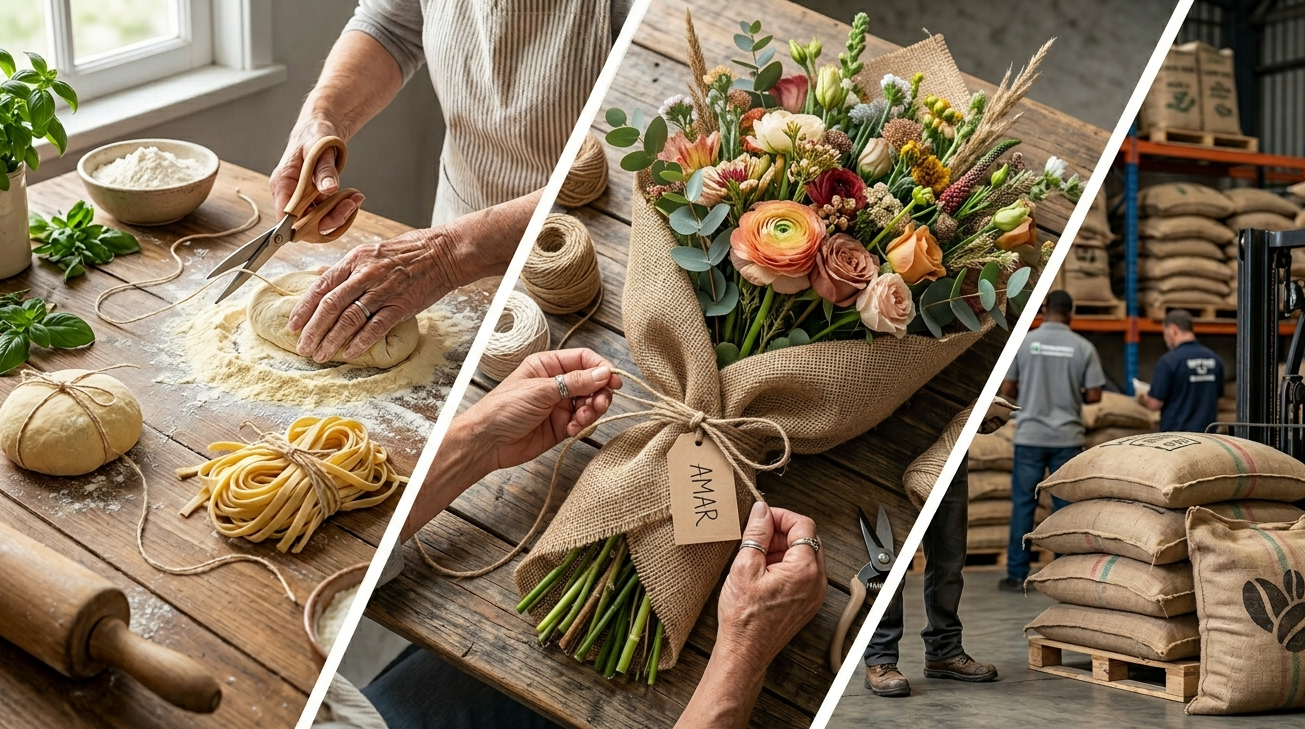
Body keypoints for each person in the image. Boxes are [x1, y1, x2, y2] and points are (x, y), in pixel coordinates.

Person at [319, 349, 828, 729]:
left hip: (355, 713)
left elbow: (341, 560)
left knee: (450, 665)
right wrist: (744, 651)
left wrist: (476, 441)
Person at [273, 0, 632, 364]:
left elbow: (618, 149)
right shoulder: (429, 262)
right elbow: (390, 27)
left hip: (577, 239)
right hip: (449, 226)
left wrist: (446, 256)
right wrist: (322, 116)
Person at [863, 400, 1014, 697]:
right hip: (896, 445)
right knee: (889, 564)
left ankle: (943, 651)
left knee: (950, 558)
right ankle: (880, 658)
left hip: (949, 447)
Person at [996, 290, 1104, 591]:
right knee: (1065, 508)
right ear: (1071, 312)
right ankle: (1062, 570)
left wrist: (1031, 393)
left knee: (1023, 505)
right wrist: (1069, 393)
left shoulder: (1027, 342)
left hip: (1030, 436)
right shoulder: (1083, 347)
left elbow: (1008, 388)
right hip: (1067, 438)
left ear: (1044, 308)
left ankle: (1017, 575)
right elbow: (1094, 395)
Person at [1141, 309, 1225, 432]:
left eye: (1165, 333)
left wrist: (1143, 397)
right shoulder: (1214, 359)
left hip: (1177, 440)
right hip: (1207, 438)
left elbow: (1154, 404)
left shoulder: (1168, 361)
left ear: (1173, 330)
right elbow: (1219, 398)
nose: (1165, 339)